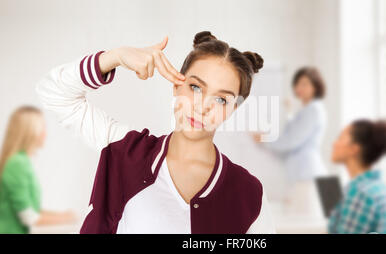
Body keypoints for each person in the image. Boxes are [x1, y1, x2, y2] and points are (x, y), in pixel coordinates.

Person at [36, 31, 276, 234]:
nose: (203, 107)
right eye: (195, 87)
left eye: (221, 100)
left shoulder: (250, 194)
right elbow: (53, 92)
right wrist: (115, 57)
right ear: (176, 85)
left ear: (232, 110)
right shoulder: (125, 150)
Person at [252, 67, 327, 215]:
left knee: (305, 225)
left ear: (316, 86)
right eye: (297, 84)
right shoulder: (308, 110)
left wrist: (264, 139)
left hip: (308, 177)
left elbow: (292, 140)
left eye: (305, 84)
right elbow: (295, 133)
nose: (299, 88)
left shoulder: (314, 110)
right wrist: (289, 112)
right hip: (305, 177)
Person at [0, 106, 76, 234]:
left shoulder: (22, 161)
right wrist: (66, 217)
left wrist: (63, 215)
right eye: (43, 127)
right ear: (30, 132)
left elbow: (31, 210)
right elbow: (29, 217)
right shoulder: (17, 163)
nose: (45, 133)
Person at [328, 119, 386, 234]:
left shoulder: (359, 194)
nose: (334, 143)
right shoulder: (378, 187)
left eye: (340, 138)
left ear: (354, 149)